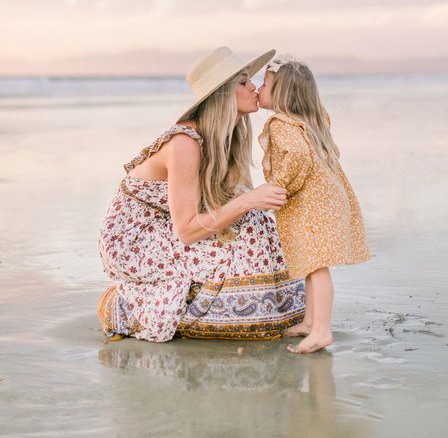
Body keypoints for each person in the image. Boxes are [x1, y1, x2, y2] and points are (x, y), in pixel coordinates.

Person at [97, 46, 305, 342]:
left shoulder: (229, 135)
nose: (254, 88)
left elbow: (231, 205)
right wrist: (249, 200)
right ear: (223, 94)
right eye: (244, 82)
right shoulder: (185, 143)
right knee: (249, 224)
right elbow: (187, 231)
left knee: (257, 224)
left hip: (168, 227)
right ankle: (144, 305)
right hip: (133, 241)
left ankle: (245, 307)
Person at [257, 54, 370, 354]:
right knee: (311, 263)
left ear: (281, 93)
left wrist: (277, 187)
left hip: (312, 205)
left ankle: (321, 330)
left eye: (265, 84)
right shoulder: (309, 120)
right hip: (329, 200)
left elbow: (296, 158)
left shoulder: (281, 124)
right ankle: (310, 322)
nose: (258, 88)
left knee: (317, 268)